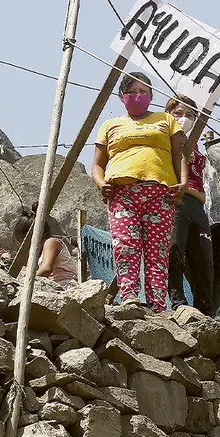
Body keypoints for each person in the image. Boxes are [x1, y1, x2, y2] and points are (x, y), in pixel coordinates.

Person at [91, 72, 188, 310]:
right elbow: (97, 165)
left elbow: (179, 155)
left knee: (158, 250)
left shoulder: (166, 120)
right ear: (122, 97)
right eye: (132, 92)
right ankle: (130, 297)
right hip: (122, 193)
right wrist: (100, 183)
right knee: (125, 246)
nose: (138, 96)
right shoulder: (109, 125)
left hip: (160, 194)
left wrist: (183, 182)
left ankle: (157, 304)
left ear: (152, 96)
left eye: (143, 92)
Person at [166, 94, 214, 316]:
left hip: (198, 205)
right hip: (176, 201)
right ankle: (179, 304)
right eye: (178, 114)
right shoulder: (165, 140)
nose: (184, 119)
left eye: (190, 115)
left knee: (203, 261)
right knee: (174, 252)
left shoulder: (195, 147)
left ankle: (204, 312)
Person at [13, 204, 80, 289]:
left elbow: (46, 270)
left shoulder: (51, 243)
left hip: (65, 286)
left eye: (24, 239)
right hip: (53, 286)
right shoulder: (39, 251)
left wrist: (23, 281)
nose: (23, 243)